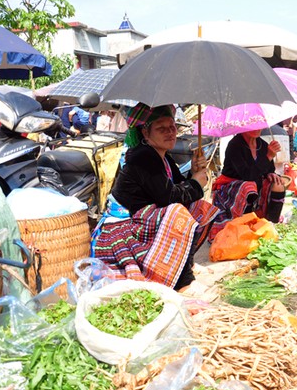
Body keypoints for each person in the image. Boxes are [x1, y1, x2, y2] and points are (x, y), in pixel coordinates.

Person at [93, 104, 218, 291]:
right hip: (124, 226)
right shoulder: (143, 157)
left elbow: (177, 189)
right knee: (177, 213)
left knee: (197, 207)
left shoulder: (163, 157)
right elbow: (170, 197)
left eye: (172, 127)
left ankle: (183, 265)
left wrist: (194, 172)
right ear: (145, 132)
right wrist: (196, 182)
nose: (170, 133)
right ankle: (182, 281)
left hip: (145, 218)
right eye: (161, 128)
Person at [210, 128, 286, 240]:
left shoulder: (263, 144)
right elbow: (248, 175)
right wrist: (269, 156)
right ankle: (246, 225)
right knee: (249, 186)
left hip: (254, 183)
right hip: (232, 186)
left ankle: (271, 224)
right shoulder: (235, 145)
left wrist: (271, 174)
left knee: (278, 185)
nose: (256, 128)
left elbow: (268, 169)